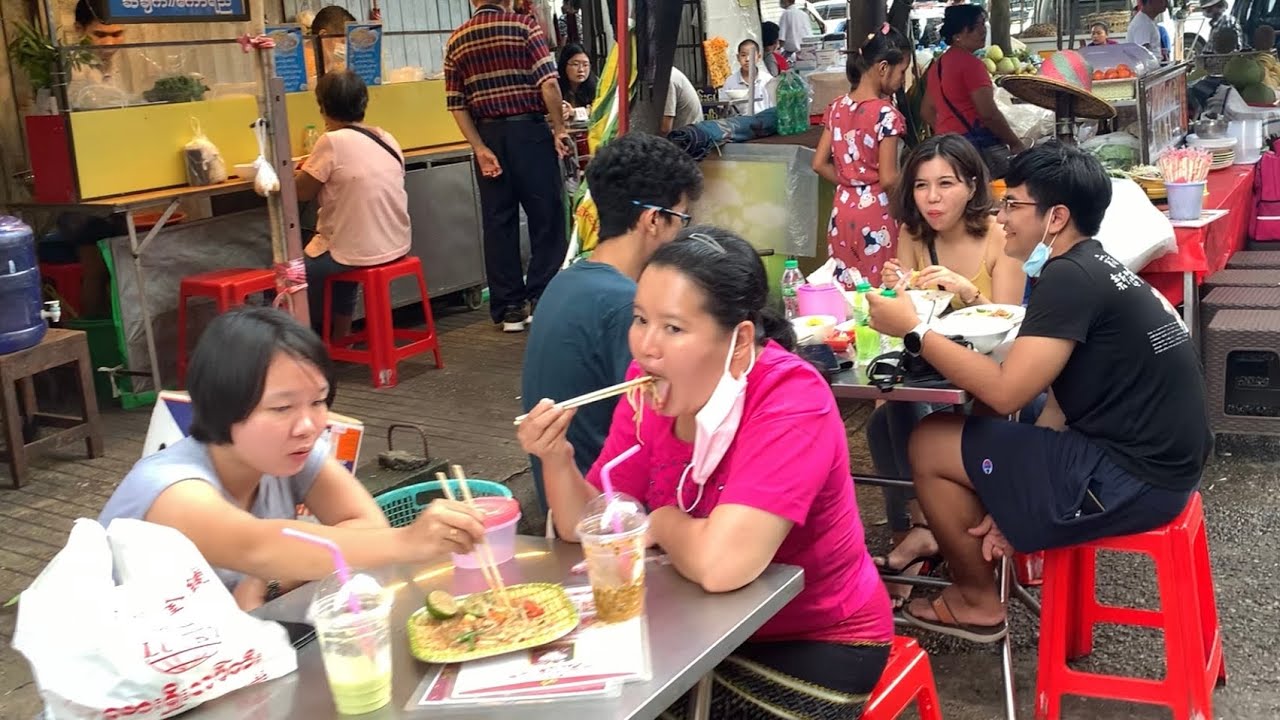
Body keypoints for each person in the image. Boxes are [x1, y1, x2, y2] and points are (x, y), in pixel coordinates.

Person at [520, 228, 892, 717]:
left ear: (739, 341)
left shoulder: (791, 399)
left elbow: (722, 565)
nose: (646, 347)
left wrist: (661, 522)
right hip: (695, 627)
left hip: (815, 644)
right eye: (640, 319)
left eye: (673, 328)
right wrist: (556, 457)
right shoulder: (647, 390)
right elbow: (588, 524)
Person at [866, 141, 1211, 641]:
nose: (1003, 216)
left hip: (1135, 480)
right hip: (1159, 467)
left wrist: (914, 331)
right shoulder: (1090, 265)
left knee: (931, 440)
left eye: (1013, 204)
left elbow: (1007, 393)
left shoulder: (1068, 277)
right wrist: (1013, 495)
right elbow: (1060, 401)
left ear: (1056, 217)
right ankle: (977, 561)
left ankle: (977, 600)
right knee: (969, 432)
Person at [99, 307, 485, 612]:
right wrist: (406, 541)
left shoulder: (291, 454)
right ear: (222, 405)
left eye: (318, 401)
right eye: (282, 407)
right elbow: (258, 547)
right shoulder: (171, 489)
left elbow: (367, 525)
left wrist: (265, 579)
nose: (308, 426)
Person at [868, 134, 1027, 608]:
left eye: (946, 184)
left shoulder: (1000, 234)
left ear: (972, 185)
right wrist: (895, 290)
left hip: (995, 376)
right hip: (935, 368)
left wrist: (966, 291)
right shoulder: (915, 235)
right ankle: (917, 530)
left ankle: (929, 535)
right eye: (921, 186)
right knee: (888, 415)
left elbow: (1009, 324)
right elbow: (910, 319)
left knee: (912, 418)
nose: (932, 199)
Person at [521, 134, 703, 512]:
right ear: (653, 219)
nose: (681, 234)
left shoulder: (567, 279)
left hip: (562, 492)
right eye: (681, 219)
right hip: (603, 505)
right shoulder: (627, 306)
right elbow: (666, 418)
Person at [445, 0, 573, 333]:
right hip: (529, 133)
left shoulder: (457, 39)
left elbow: (456, 104)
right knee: (547, 217)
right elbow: (549, 84)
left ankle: (510, 308)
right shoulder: (524, 26)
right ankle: (544, 298)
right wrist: (559, 128)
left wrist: (479, 147)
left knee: (498, 222)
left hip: (488, 135)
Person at [295, 70, 410, 338]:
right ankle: (341, 338)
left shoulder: (331, 141)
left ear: (323, 107)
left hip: (354, 252)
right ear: (363, 103)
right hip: (396, 244)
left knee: (291, 275)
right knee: (343, 252)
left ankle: (297, 347)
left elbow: (301, 192)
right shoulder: (386, 137)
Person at [812, 25, 912, 288]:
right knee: (881, 285)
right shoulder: (886, 114)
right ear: (883, 68)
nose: (902, 80)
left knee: (848, 287)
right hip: (877, 213)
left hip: (842, 211)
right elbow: (888, 179)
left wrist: (853, 185)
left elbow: (818, 163)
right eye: (902, 72)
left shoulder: (836, 107)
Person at [922, 5, 1026, 171]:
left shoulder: (937, 66)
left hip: (949, 148)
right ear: (959, 34)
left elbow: (926, 111)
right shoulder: (972, 65)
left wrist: (949, 130)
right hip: (976, 146)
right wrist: (1015, 143)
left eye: (984, 24)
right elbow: (988, 114)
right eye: (979, 25)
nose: (983, 30)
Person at [719, 39, 774, 114]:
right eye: (743, 55)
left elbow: (774, 107)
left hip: (764, 119)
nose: (747, 59)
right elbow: (722, 107)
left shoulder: (768, 80)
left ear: (759, 57)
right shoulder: (730, 81)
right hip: (740, 120)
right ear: (738, 57)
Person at [306, 5, 357, 80]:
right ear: (324, 35)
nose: (347, 47)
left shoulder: (331, 59)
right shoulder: (304, 64)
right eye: (343, 42)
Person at [662, 67, 705, 134]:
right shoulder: (670, 73)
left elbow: (665, 129)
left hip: (688, 135)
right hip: (689, 129)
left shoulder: (668, 79)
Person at [557, 43, 596, 109]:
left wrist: (575, 113)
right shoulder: (555, 87)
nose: (581, 69)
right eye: (575, 64)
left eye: (585, 65)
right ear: (564, 66)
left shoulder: (597, 88)